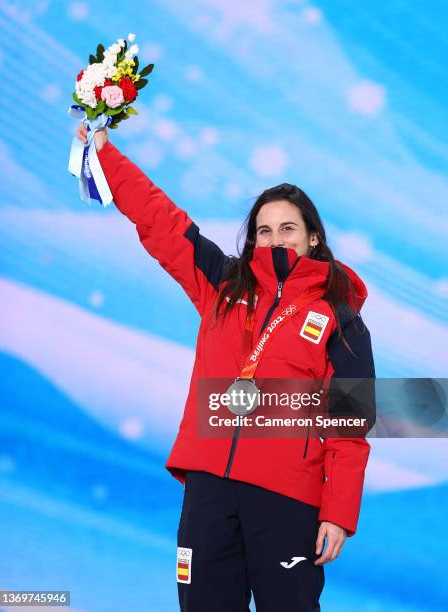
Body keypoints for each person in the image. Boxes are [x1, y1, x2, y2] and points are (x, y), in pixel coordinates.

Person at [76, 124, 376, 612]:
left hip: (287, 499)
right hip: (210, 491)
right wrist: (107, 157)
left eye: (287, 229)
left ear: (313, 238)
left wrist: (338, 513)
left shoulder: (342, 322)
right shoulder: (221, 284)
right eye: (263, 231)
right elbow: (160, 221)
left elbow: (349, 428)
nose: (274, 240)